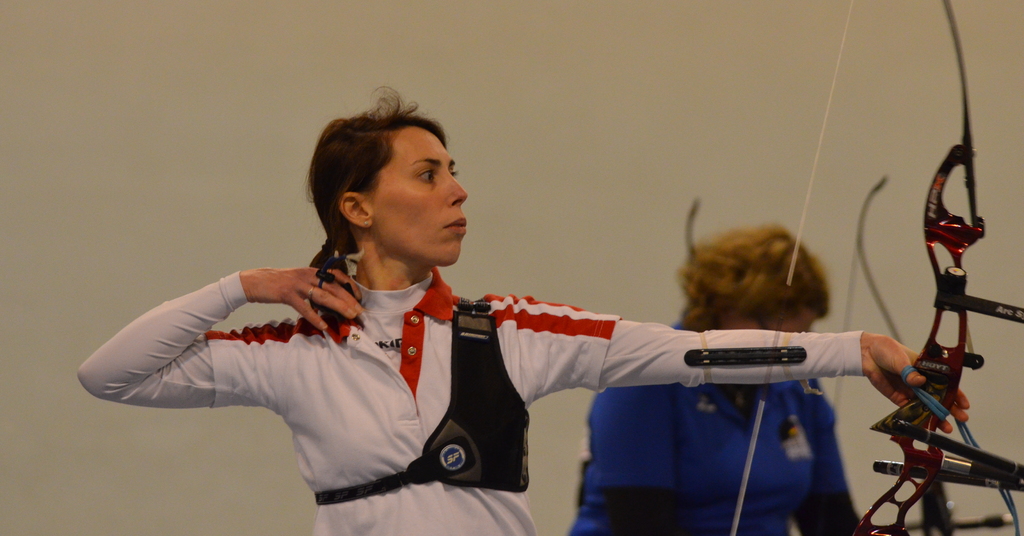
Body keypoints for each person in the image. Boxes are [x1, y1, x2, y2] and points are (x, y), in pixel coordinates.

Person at [78, 92, 965, 536]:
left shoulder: (508, 331)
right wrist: (243, 285)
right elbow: (110, 375)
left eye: (454, 171)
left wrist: (856, 350)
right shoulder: (294, 347)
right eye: (428, 174)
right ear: (357, 207)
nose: (458, 191)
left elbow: (687, 353)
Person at [570, 226, 860, 536]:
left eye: (804, 337)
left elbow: (832, 520)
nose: (793, 353)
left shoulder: (797, 383)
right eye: (781, 337)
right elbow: (644, 527)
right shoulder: (645, 377)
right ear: (725, 308)